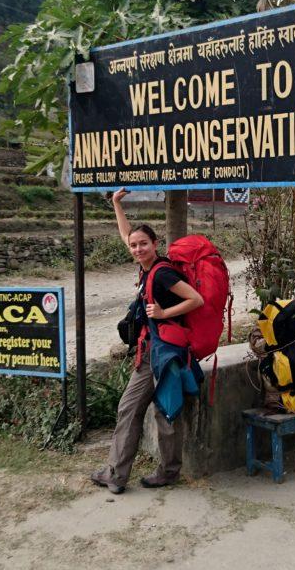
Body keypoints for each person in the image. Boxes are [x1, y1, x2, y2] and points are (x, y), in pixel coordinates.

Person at [90, 188, 203, 494]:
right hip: (166, 349)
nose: (137, 248)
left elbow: (196, 299)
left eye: (143, 244)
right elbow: (127, 234)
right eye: (134, 245)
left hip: (160, 351)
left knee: (131, 408)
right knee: (165, 408)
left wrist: (165, 311)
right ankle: (167, 471)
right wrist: (116, 203)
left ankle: (117, 474)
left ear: (155, 244)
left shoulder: (162, 274)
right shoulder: (147, 266)